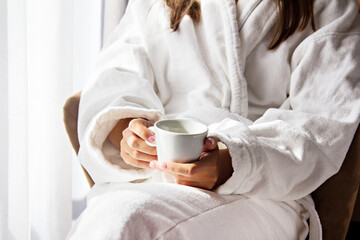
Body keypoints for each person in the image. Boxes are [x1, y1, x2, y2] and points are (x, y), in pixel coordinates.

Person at [67, 0, 360, 239]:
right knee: (112, 220)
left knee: (129, 223)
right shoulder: (155, 4)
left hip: (265, 193)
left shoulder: (327, 7)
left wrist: (233, 161)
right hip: (156, 176)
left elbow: (322, 123)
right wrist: (128, 131)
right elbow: (116, 73)